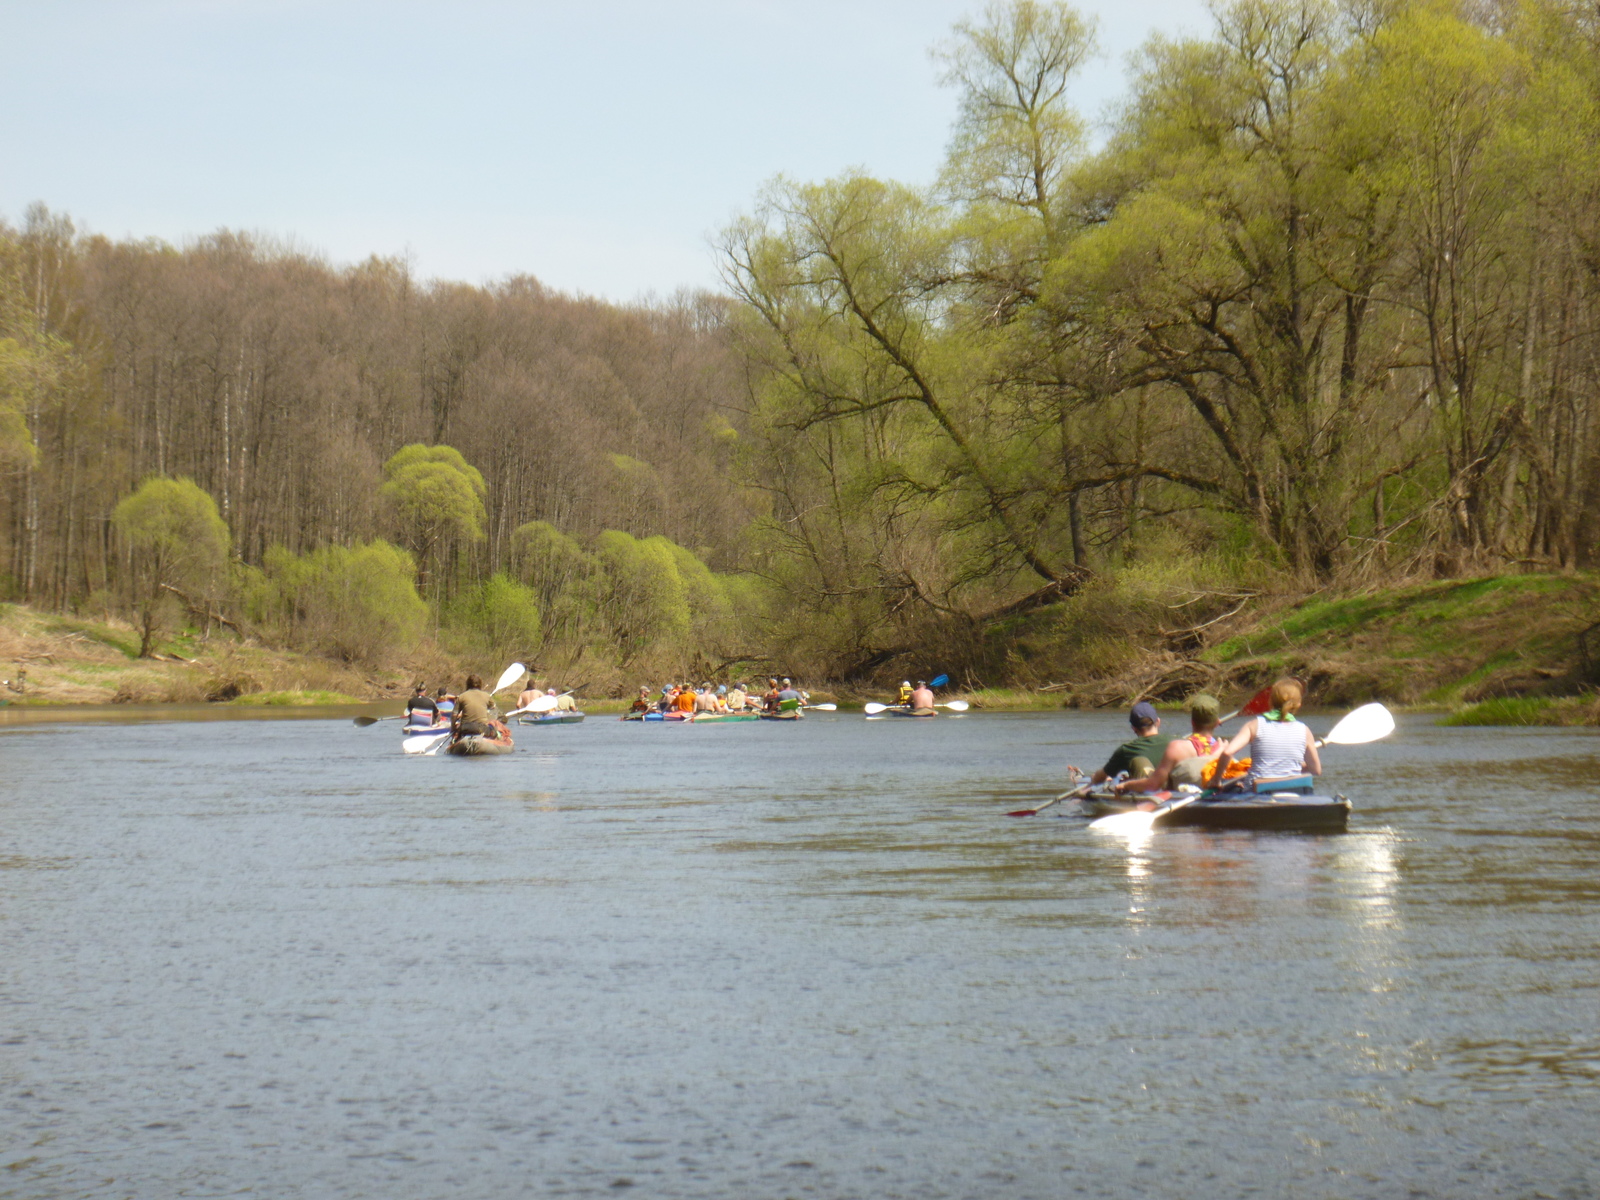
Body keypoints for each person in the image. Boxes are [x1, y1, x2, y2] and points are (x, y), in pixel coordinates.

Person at [1213, 678, 1320, 787]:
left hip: (1257, 790)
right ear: (1298, 704)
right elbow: (1316, 770)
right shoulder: (1305, 731)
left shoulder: (1254, 725)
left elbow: (1227, 753)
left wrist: (1216, 780)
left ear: (1270, 701)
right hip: (1293, 789)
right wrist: (1289, 767)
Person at [1116, 693, 1223, 797]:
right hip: (1211, 794)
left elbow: (1153, 785)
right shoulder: (1225, 750)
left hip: (1177, 800)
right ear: (1217, 723)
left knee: (1139, 761)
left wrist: (1126, 784)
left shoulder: (1177, 747)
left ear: (1192, 722)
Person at [1071, 701, 1173, 786]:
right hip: (1175, 791)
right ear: (1158, 722)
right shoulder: (1178, 743)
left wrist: (1092, 780)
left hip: (1148, 794)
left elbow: (1100, 778)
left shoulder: (1126, 750)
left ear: (1133, 728)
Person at [452, 674, 501, 739]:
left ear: (468, 684)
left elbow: (454, 715)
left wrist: (453, 728)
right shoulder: (487, 696)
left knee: (457, 734)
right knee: (494, 731)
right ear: (480, 684)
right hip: (482, 728)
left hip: (465, 728)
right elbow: (494, 710)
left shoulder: (461, 696)